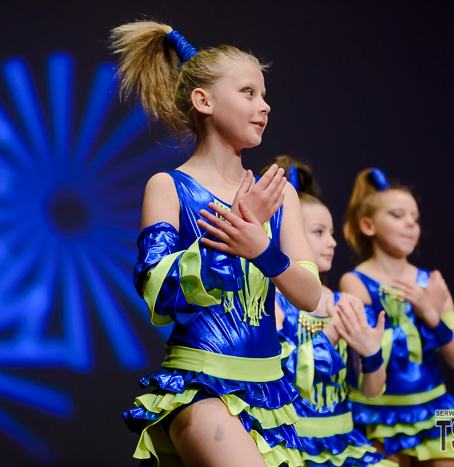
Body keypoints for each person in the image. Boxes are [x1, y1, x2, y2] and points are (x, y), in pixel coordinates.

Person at [111, 22, 322, 467]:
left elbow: (309, 294)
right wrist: (239, 230)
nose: (264, 106)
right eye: (248, 92)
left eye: (264, 95)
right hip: (200, 387)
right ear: (203, 100)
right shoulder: (168, 187)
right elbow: (158, 293)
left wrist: (262, 249)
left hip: (272, 394)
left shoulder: (278, 194)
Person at [339, 168, 454, 466]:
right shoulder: (356, 282)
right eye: (397, 215)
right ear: (368, 225)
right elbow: (367, 358)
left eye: (415, 219)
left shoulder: (432, 283)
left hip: (433, 410)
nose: (410, 224)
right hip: (377, 414)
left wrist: (430, 313)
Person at [261, 157, 395, 466]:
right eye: (319, 232)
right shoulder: (272, 302)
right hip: (294, 446)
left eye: (332, 232)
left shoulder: (345, 303)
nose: (332, 242)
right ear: (289, 234)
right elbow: (281, 379)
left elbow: (372, 391)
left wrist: (372, 353)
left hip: (345, 444)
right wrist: (332, 333)